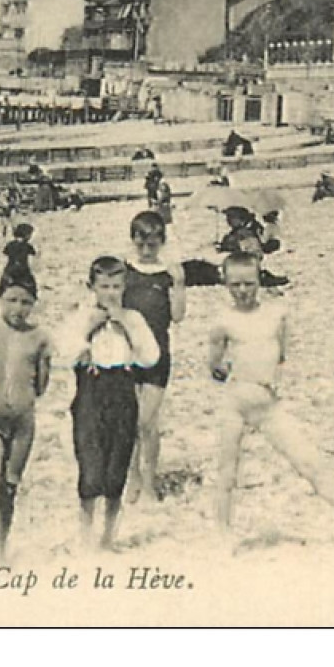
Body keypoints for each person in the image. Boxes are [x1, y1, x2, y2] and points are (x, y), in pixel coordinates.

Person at [208, 254, 334, 544]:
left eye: (249, 283)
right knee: (227, 470)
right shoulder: (222, 320)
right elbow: (214, 364)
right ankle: (222, 533)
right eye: (235, 285)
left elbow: (281, 354)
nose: (242, 291)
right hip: (235, 402)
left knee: (307, 459)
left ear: (260, 280)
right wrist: (228, 369)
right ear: (225, 283)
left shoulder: (276, 314)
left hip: (268, 404)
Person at [54, 256, 158, 550]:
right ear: (92, 287)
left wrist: (125, 324)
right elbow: (63, 353)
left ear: (124, 286)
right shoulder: (80, 316)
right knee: (90, 465)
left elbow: (151, 356)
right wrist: (87, 332)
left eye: (116, 286)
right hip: (91, 391)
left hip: (122, 391)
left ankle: (108, 537)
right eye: (104, 286)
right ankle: (85, 536)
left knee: (117, 465)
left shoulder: (133, 318)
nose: (110, 293)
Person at [0, 274, 53, 558]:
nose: (18, 308)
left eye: (26, 302)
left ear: (34, 304)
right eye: (12, 300)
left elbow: (41, 385)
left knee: (10, 486)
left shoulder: (39, 337)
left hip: (22, 423)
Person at [123, 211, 185, 504]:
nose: (147, 249)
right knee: (131, 421)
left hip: (158, 355)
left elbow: (178, 316)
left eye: (153, 242)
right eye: (142, 242)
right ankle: (133, 478)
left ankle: (149, 482)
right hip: (127, 354)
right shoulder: (124, 272)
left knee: (148, 422)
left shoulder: (167, 274)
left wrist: (180, 284)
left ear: (162, 241)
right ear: (134, 240)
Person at [0, 223, 39, 295]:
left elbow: (5, 253)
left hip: (10, 268)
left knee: (5, 284)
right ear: (26, 235)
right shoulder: (27, 246)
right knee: (31, 287)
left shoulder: (10, 244)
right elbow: (34, 255)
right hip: (23, 269)